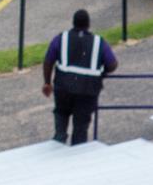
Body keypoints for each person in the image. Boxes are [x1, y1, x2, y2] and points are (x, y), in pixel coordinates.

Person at [40, 9, 117, 145]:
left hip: (63, 89)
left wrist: (47, 83)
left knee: (61, 118)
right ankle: (77, 159)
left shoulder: (61, 38)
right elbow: (113, 65)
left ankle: (59, 142)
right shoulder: (99, 42)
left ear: (73, 23)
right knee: (81, 130)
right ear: (88, 25)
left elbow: (48, 61)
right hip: (88, 92)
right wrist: (101, 72)